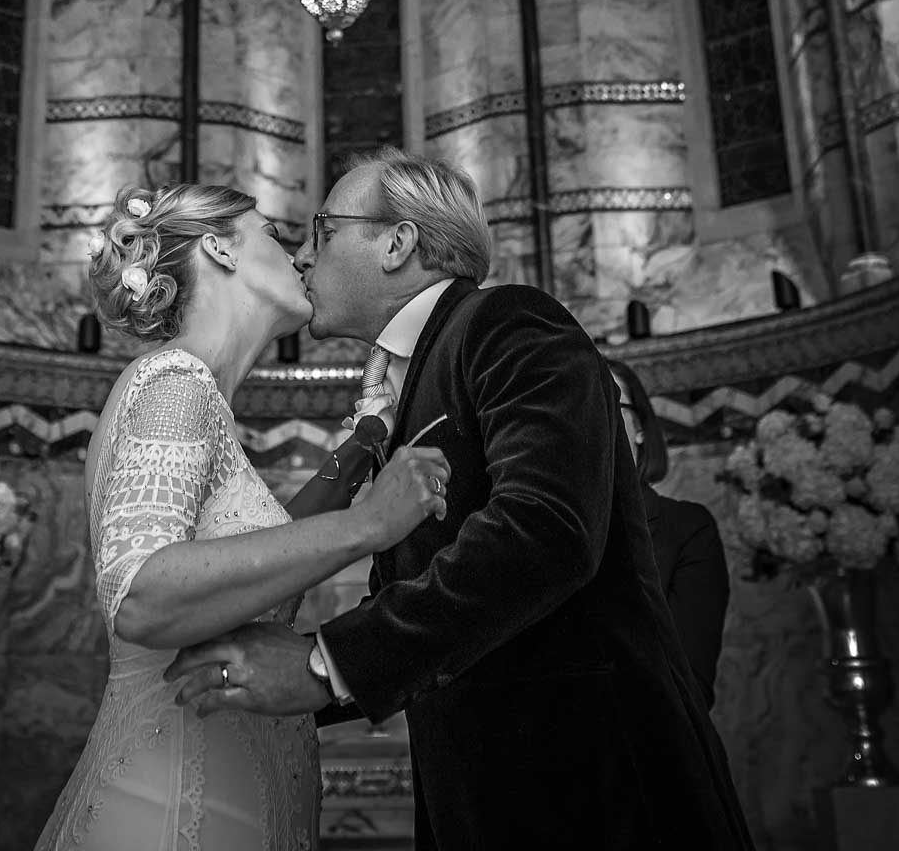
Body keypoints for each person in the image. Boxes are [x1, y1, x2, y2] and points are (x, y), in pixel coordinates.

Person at [167, 149, 756, 851]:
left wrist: (326, 665)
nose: (301, 256)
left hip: (597, 790)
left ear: (397, 242)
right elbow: (422, 593)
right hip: (493, 798)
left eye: (322, 231)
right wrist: (268, 674)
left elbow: (544, 530)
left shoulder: (509, 322)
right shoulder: (418, 374)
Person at [33, 180, 450, 851]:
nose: (302, 259)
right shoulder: (174, 381)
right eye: (280, 240)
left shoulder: (198, 395)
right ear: (222, 249)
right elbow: (140, 593)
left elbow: (261, 556)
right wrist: (371, 524)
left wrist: (368, 436)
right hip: (169, 804)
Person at [608, 356, 730, 710]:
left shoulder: (687, 529)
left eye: (608, 403)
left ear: (641, 426)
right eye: (578, 406)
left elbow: (689, 687)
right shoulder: (544, 529)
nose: (595, 419)